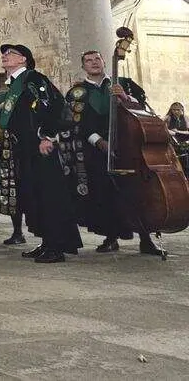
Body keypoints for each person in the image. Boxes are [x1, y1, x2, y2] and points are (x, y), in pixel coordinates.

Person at [0, 43, 80, 264]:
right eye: (4, 54)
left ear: (24, 59)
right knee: (34, 196)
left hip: (38, 146)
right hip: (22, 148)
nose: (5, 56)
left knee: (48, 196)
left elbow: (52, 106)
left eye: (11, 54)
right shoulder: (14, 85)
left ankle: (57, 246)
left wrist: (47, 136)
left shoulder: (34, 79)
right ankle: (46, 241)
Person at [64, 50, 164, 257]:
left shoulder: (124, 83)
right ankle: (111, 237)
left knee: (137, 194)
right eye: (88, 61)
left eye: (97, 59)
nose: (94, 63)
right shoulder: (78, 92)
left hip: (130, 148)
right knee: (105, 194)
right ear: (83, 67)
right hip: (97, 150)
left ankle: (146, 239)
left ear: (103, 62)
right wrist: (99, 141)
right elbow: (77, 124)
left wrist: (125, 98)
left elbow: (144, 109)